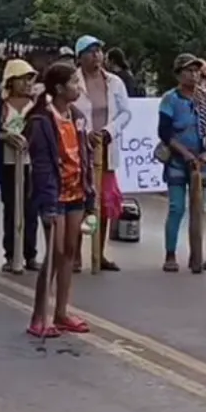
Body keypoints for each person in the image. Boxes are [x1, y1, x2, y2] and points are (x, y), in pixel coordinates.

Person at [25, 62, 95, 337]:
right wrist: (48, 204)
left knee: (69, 252)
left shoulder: (76, 116)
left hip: (76, 192)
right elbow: (41, 165)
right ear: (59, 88)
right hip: (55, 195)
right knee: (53, 254)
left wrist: (90, 194)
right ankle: (38, 315)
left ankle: (62, 311)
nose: (78, 87)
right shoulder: (42, 120)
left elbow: (85, 156)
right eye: (74, 83)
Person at [74, 36, 131, 271]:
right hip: (79, 149)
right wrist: (85, 132)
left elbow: (125, 113)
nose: (96, 56)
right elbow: (67, 111)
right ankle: (75, 253)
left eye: (98, 51)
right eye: (90, 52)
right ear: (80, 57)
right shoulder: (73, 81)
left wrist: (108, 131)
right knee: (78, 202)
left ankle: (99, 251)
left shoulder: (115, 82)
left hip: (106, 149)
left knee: (104, 203)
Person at [159, 53, 206, 272]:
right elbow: (164, 132)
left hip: (202, 161)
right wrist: (184, 153)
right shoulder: (170, 99)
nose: (193, 75)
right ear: (178, 75)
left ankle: (197, 254)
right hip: (177, 159)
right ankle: (170, 253)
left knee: (199, 209)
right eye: (188, 71)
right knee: (176, 207)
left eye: (196, 71)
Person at [0, 59, 40, 273]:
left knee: (31, 209)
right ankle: (11, 254)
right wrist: (5, 136)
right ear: (11, 81)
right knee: (11, 208)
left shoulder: (38, 104)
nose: (27, 84)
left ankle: (30, 254)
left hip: (31, 164)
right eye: (22, 80)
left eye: (30, 80)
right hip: (7, 163)